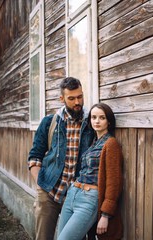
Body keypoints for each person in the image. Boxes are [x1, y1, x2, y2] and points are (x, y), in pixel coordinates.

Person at [27, 77, 95, 240]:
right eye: (71, 98)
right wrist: (41, 185)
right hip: (49, 192)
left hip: (76, 195)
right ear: (62, 99)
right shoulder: (50, 122)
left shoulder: (91, 123)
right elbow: (34, 157)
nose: (77, 102)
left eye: (80, 97)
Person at [57, 103, 123, 240]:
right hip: (73, 193)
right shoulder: (93, 141)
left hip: (90, 198)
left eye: (102, 118)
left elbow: (114, 182)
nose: (97, 121)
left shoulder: (111, 144)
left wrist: (105, 215)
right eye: (93, 117)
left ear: (109, 121)